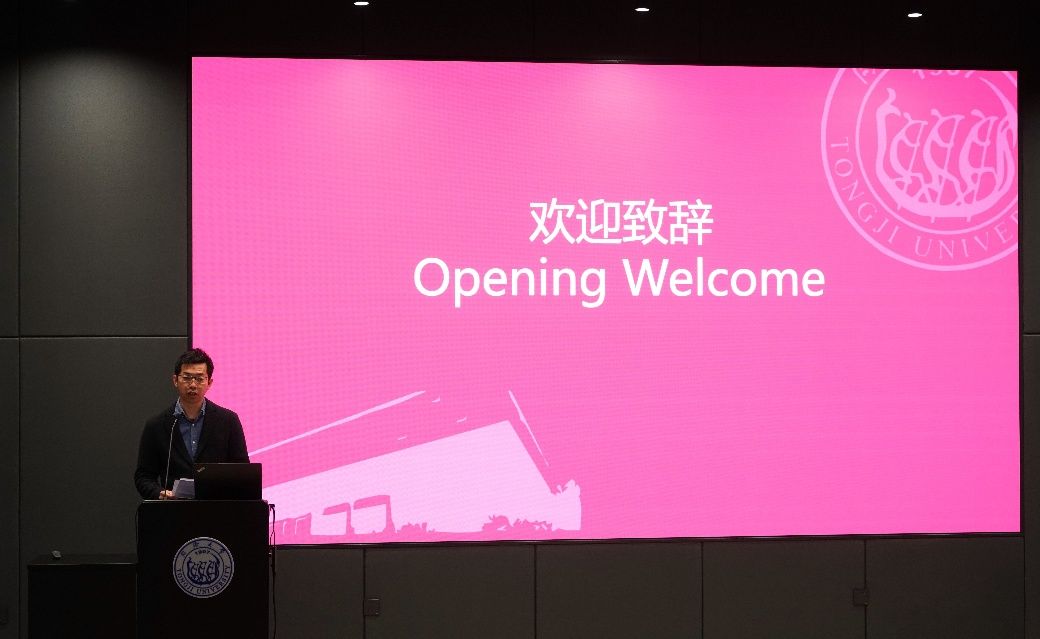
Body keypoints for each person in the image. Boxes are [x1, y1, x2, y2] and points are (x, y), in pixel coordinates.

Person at [134, 348, 249, 499]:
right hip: (173, 508)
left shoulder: (228, 421)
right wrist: (159, 493)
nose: (193, 384)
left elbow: (243, 472)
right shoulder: (156, 425)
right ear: (175, 380)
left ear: (209, 382)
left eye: (199, 379)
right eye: (187, 378)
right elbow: (143, 477)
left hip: (217, 508)